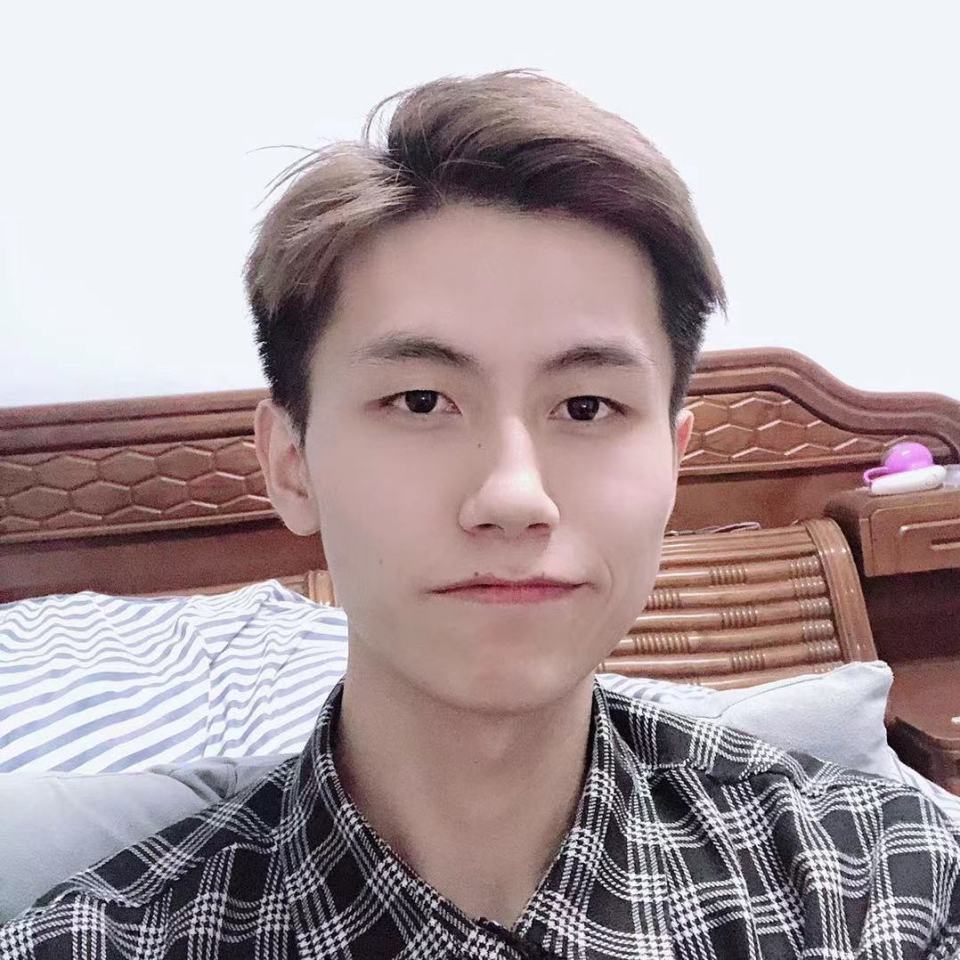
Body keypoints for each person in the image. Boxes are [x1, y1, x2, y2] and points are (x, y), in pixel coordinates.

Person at [3, 69, 960, 960]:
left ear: (673, 464)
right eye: (420, 401)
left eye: (587, 407)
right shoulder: (93, 942)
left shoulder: (882, 883)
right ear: (290, 462)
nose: (513, 495)